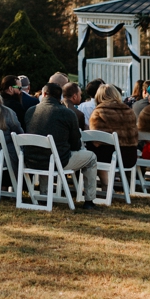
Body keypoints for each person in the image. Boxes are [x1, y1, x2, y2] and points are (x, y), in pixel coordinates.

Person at [22, 82, 98, 210]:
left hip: (32, 160)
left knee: (47, 153)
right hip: (58, 161)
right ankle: (89, 200)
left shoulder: (31, 111)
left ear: (44, 94)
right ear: (60, 97)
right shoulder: (67, 113)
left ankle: (44, 195)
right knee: (91, 157)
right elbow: (75, 144)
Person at [88, 84, 139, 169]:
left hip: (110, 158)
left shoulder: (98, 113)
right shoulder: (129, 111)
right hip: (130, 157)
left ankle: (104, 181)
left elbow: (96, 141)